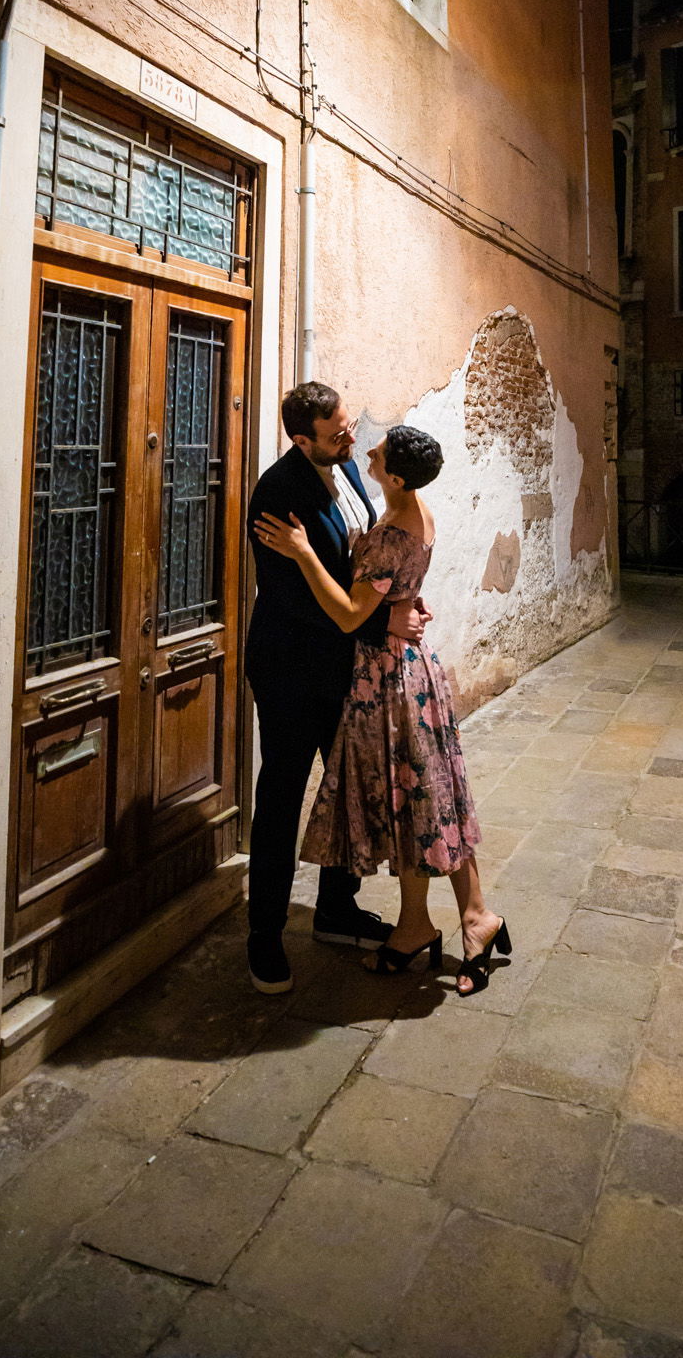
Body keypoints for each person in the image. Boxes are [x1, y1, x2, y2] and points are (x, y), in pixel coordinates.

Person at [256, 424, 509, 997]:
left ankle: (475, 918)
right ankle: (419, 923)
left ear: (395, 476)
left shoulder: (388, 536)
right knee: (418, 798)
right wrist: (398, 605)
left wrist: (300, 552)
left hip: (388, 679)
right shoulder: (417, 513)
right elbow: (392, 591)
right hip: (409, 668)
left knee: (420, 797)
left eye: (380, 452)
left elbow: (349, 614)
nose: (365, 448)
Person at [244, 382, 428, 996]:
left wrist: (397, 601)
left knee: (348, 789)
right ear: (303, 439)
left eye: (349, 426)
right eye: (337, 432)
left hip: (345, 664)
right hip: (292, 668)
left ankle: (335, 911)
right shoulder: (277, 493)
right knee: (282, 797)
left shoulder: (347, 468)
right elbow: (294, 599)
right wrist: (382, 618)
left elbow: (362, 563)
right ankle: (264, 938)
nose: (352, 438)